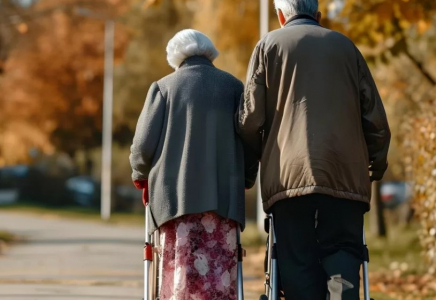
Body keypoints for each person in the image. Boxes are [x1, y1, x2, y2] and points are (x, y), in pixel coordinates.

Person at [237, 0, 391, 299]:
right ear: (318, 16)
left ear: (281, 15)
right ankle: (339, 294)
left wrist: (249, 170)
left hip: (288, 179)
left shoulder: (268, 46)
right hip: (344, 176)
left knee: (297, 260)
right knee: (343, 253)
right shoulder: (346, 48)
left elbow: (249, 120)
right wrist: (376, 163)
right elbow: (375, 120)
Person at [130, 29, 254, 300]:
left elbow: (142, 146)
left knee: (180, 277)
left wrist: (140, 175)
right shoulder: (234, 88)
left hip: (175, 203)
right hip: (223, 202)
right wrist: (247, 176)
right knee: (219, 277)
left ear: (176, 56)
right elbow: (250, 138)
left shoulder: (163, 88)